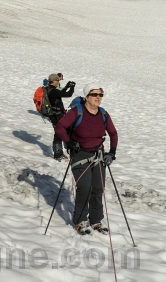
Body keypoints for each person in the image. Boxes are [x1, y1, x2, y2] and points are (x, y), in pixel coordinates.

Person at [54, 84, 118, 236]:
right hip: (80, 155)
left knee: (97, 188)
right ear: (86, 97)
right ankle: (80, 220)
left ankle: (96, 220)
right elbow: (60, 127)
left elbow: (113, 134)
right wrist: (69, 143)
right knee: (85, 187)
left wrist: (112, 153)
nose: (98, 97)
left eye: (100, 95)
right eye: (94, 94)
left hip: (99, 155)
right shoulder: (78, 112)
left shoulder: (103, 114)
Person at [41, 73, 76, 160]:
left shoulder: (50, 89)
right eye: (57, 80)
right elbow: (68, 94)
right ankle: (57, 154)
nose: (58, 81)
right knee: (58, 133)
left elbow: (62, 93)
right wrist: (72, 87)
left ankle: (59, 152)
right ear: (53, 81)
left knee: (60, 132)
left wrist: (67, 86)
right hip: (56, 115)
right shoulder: (52, 91)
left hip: (56, 114)